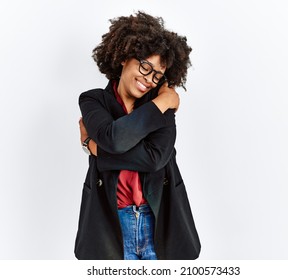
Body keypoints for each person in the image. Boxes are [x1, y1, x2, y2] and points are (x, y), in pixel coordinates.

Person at [75, 11, 201, 260]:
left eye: (157, 75)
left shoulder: (162, 109)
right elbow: (114, 139)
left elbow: (154, 159)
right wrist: (163, 101)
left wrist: (95, 149)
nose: (149, 79)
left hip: (159, 222)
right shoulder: (92, 100)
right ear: (124, 57)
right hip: (110, 224)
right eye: (145, 66)